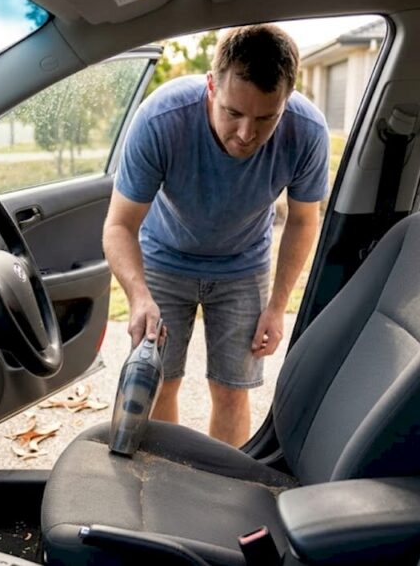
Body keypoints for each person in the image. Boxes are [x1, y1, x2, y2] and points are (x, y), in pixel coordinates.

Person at [102, 24, 329, 447]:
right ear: (211, 86)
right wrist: (138, 296)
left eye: (266, 118)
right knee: (160, 381)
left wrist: (278, 306)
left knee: (231, 388)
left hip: (244, 265)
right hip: (164, 258)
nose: (247, 134)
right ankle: (166, 484)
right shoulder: (160, 119)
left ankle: (220, 494)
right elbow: (119, 224)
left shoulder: (307, 130)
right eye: (233, 113)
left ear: (287, 101)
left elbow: (302, 220)